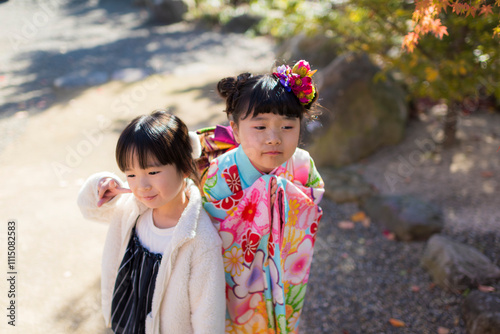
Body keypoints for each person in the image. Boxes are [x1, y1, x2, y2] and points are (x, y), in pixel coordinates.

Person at [201, 60, 325, 333]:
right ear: (234, 129)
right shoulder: (219, 174)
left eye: (287, 127)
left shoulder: (303, 166)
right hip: (235, 280)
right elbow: (209, 236)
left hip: (285, 265)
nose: (274, 138)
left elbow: (308, 215)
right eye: (260, 127)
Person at [77, 110, 225, 334]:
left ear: (185, 166)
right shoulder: (131, 209)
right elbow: (89, 209)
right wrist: (102, 184)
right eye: (131, 174)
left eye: (153, 171)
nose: (141, 186)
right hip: (125, 323)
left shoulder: (200, 240)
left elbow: (208, 317)